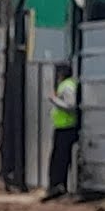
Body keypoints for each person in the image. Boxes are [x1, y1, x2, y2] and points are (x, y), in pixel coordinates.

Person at [43, 63, 79, 202]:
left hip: (66, 128)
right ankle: (58, 186)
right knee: (60, 158)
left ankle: (58, 186)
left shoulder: (67, 86)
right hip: (64, 127)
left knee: (59, 159)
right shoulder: (70, 84)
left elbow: (70, 105)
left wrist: (54, 100)